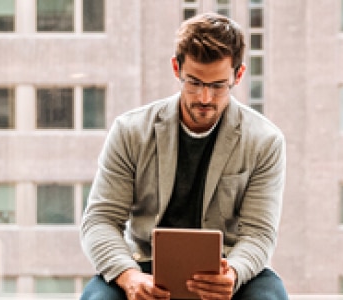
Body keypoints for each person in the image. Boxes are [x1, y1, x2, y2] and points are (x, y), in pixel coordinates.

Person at [80, 12, 288, 300]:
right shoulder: (130, 131)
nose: (204, 98)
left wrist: (235, 272)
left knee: (269, 296)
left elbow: (259, 233)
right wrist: (129, 278)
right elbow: (100, 220)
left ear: (238, 76)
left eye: (218, 86)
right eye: (194, 82)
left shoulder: (265, 141)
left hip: (226, 266)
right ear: (176, 68)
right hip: (143, 263)